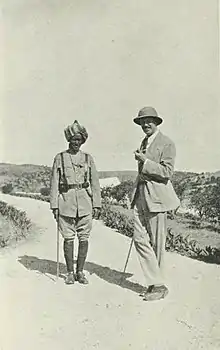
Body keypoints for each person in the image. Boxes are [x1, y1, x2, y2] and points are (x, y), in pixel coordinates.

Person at [131, 106, 180, 301]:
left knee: (157, 243)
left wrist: (145, 161)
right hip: (141, 196)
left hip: (158, 198)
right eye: (142, 121)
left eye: (149, 120)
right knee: (139, 238)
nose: (145, 124)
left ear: (156, 122)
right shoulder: (144, 142)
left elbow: (167, 172)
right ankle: (156, 281)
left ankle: (158, 286)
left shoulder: (166, 143)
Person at [50, 120, 101, 285]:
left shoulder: (88, 158)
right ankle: (70, 272)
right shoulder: (60, 158)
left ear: (82, 141)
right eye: (73, 139)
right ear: (68, 140)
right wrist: (54, 206)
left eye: (78, 139)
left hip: (85, 203)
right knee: (68, 237)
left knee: (84, 237)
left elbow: (95, 183)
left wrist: (97, 204)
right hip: (65, 202)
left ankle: (80, 271)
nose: (75, 142)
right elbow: (54, 182)